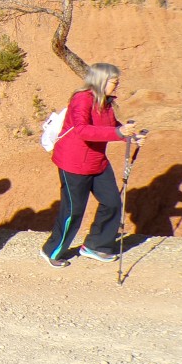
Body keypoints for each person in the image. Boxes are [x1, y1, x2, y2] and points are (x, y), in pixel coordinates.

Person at [41, 63, 145, 267]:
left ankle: (96, 245)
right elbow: (82, 130)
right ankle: (52, 251)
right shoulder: (82, 99)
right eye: (115, 82)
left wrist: (130, 137)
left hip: (97, 161)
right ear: (102, 81)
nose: (117, 85)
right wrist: (118, 134)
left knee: (112, 202)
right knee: (73, 210)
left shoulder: (105, 102)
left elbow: (113, 126)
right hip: (74, 163)